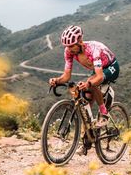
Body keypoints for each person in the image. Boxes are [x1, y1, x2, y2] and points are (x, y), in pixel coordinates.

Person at [49, 25, 119, 154]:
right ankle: (88, 140)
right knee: (86, 100)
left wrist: (88, 84)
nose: (68, 49)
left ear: (80, 41)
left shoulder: (94, 50)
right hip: (97, 68)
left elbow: (98, 76)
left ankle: (104, 114)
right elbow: (66, 76)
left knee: (91, 84)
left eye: (71, 46)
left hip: (111, 67)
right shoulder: (68, 52)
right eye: (66, 46)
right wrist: (57, 80)